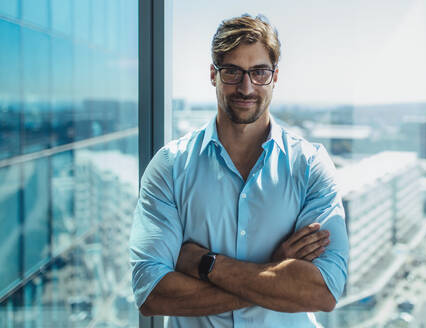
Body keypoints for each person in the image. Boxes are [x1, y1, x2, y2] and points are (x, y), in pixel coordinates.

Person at [129, 14, 349, 327]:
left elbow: (323, 291)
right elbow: (152, 294)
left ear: (275, 76)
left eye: (259, 72)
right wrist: (275, 271)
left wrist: (207, 265)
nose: (246, 87)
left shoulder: (310, 165)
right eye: (232, 71)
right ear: (212, 74)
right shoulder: (170, 167)